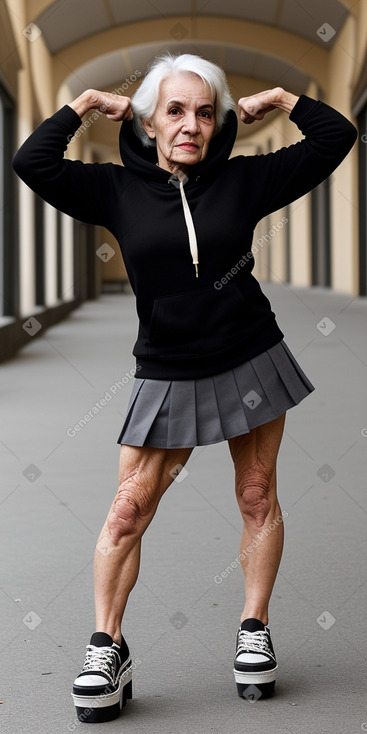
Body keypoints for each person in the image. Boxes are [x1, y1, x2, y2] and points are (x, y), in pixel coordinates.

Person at [12, 52, 357, 723]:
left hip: (248, 353)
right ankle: (107, 645)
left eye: (205, 111)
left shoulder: (245, 181)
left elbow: (335, 137)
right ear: (146, 119)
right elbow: (33, 163)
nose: (190, 125)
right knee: (125, 511)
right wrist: (85, 104)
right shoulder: (113, 189)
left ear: (219, 120)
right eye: (174, 110)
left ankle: (253, 627)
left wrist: (282, 99)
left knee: (256, 495)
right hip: (166, 367)